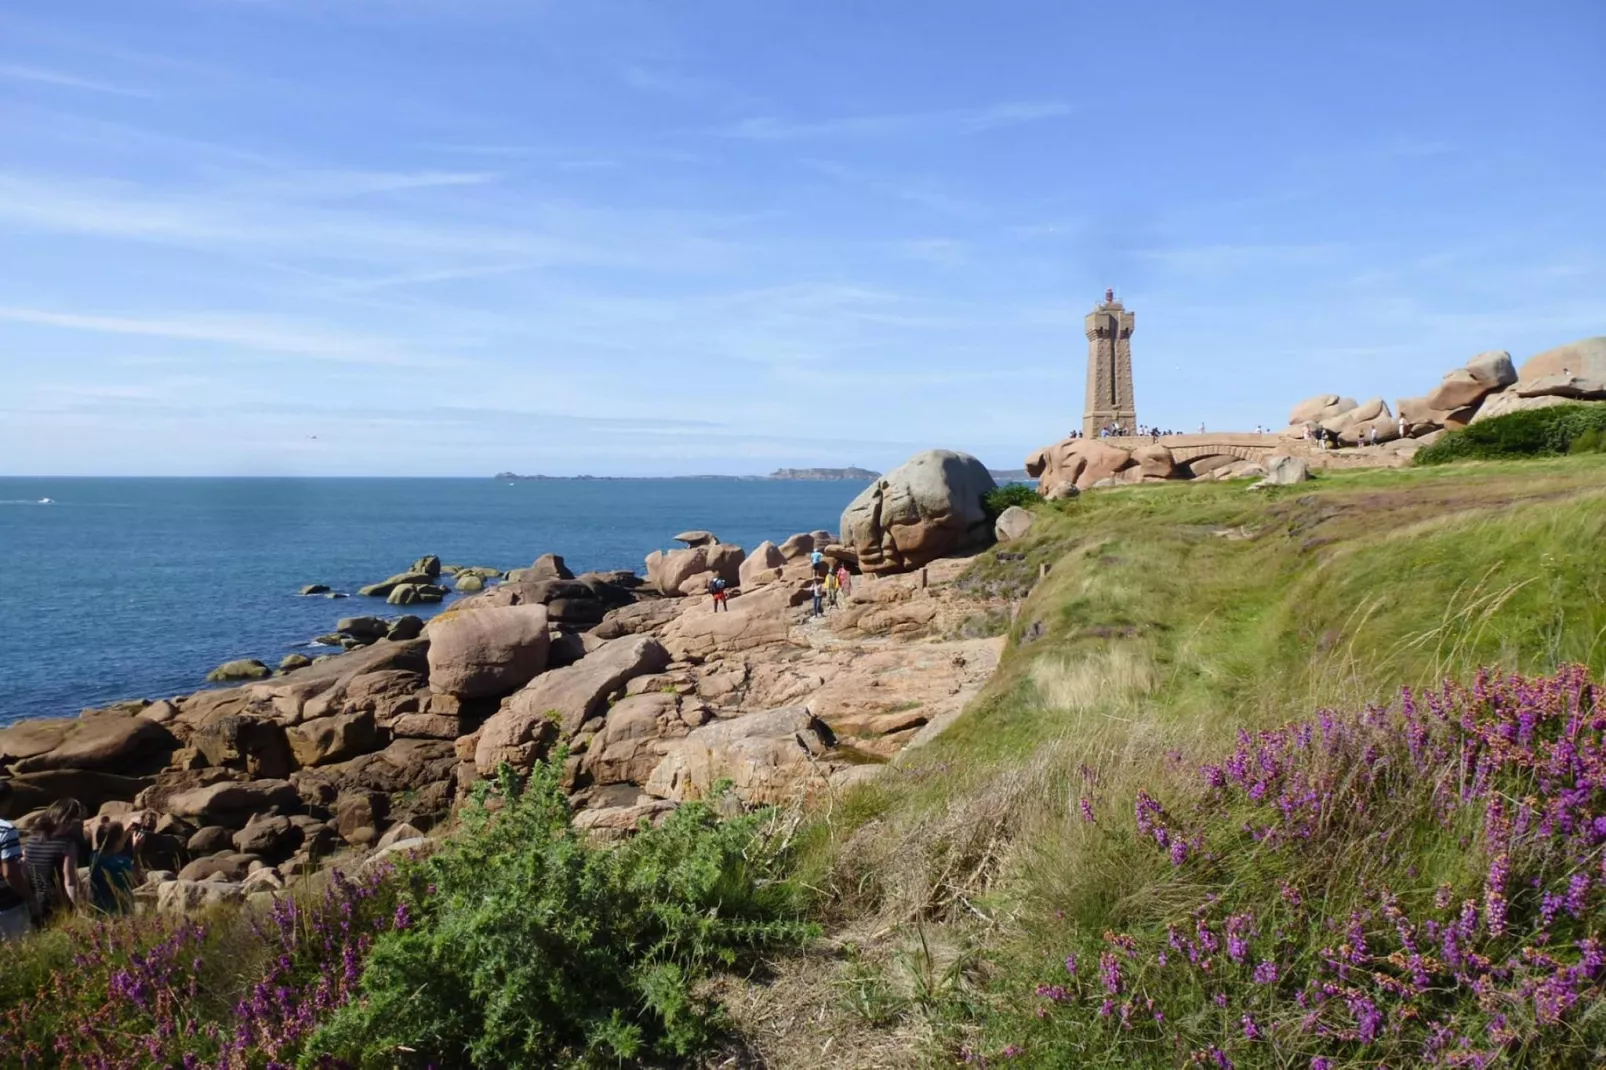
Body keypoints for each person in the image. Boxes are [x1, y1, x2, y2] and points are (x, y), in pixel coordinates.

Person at [24, 797, 85, 925]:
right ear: (69, 820)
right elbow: (70, 882)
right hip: (58, 902)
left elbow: (25, 865)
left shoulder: (32, 838)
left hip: (34, 899)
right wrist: (82, 907)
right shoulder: (67, 844)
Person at [86, 815, 144, 915]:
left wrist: (129, 826)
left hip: (100, 908)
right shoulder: (122, 862)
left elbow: (110, 840)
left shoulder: (94, 856)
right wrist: (136, 852)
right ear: (117, 842)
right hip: (121, 909)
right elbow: (135, 878)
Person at [0, 817, 30, 942]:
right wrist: (30, 897)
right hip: (6, 906)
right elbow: (10, 874)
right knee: (19, 954)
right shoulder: (5, 829)